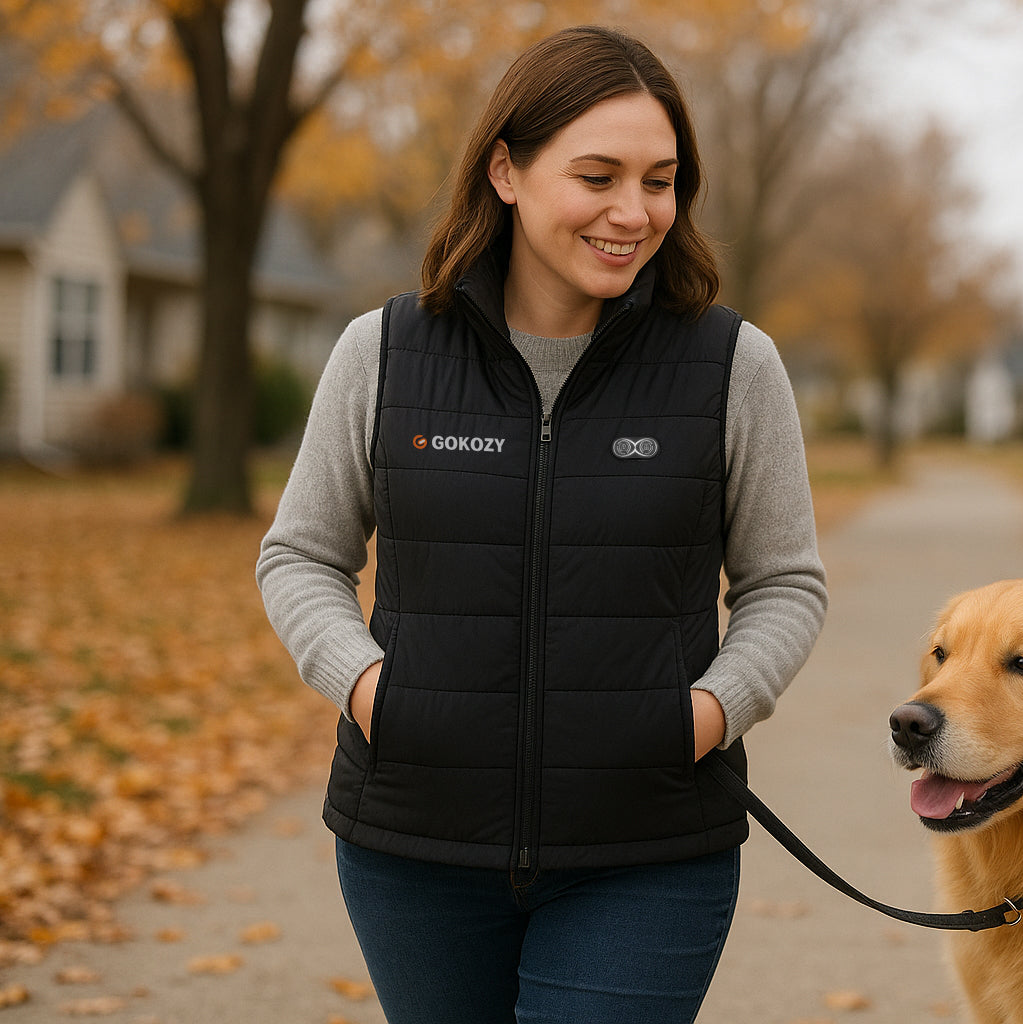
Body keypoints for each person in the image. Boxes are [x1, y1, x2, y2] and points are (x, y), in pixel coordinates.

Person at [255, 24, 827, 1024]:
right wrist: (368, 688)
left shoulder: (733, 366)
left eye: (660, 181)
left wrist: (707, 713)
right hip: (414, 849)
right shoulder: (382, 353)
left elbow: (785, 581)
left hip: (647, 850)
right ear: (507, 171)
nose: (633, 212)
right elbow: (301, 554)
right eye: (598, 175)